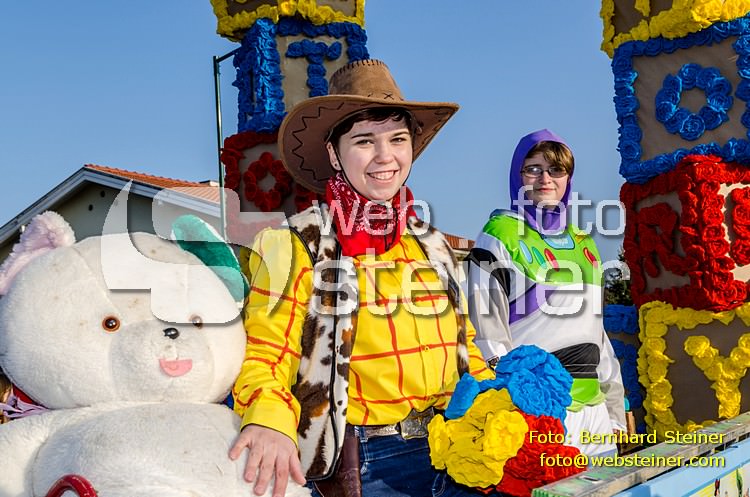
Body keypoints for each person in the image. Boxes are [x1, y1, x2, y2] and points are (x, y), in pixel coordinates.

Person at [228, 59, 494, 497]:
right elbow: (265, 356)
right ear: (334, 154)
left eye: (398, 139)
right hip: (368, 463)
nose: (385, 156)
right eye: (365, 141)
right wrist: (269, 422)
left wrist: (496, 406)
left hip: (456, 448)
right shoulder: (296, 244)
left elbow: (466, 350)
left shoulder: (432, 244)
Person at [467, 129, 626, 457]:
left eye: (556, 169)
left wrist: (616, 411)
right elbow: (488, 336)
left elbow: (598, 336)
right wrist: (520, 405)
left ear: (568, 178)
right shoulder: (498, 235)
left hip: (594, 411)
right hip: (539, 413)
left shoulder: (583, 242)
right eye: (533, 169)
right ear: (517, 175)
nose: (545, 179)